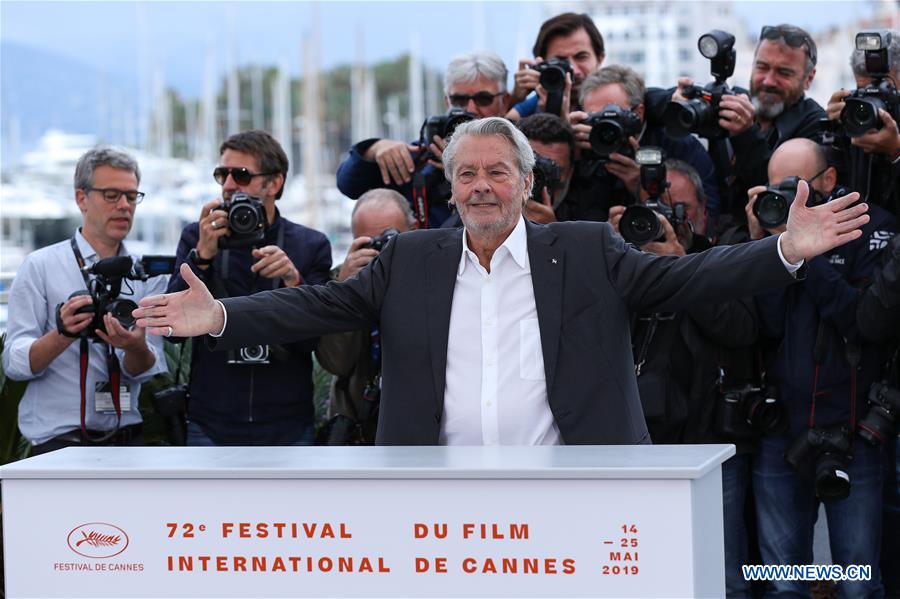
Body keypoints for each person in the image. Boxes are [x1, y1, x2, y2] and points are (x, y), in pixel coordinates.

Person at [135, 117, 870, 446]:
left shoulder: (586, 249)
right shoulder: (410, 258)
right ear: (449, 189)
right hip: (440, 506)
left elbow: (693, 279)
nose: (481, 186)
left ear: (523, 182)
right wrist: (221, 316)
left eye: (496, 172)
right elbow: (316, 304)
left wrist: (784, 251)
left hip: (575, 496)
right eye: (466, 174)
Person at [747, 138, 895, 597]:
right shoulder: (768, 238)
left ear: (828, 182)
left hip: (853, 429)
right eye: (775, 189)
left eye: (794, 188)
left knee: (858, 583)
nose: (784, 202)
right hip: (779, 430)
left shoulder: (871, 229)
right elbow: (760, 326)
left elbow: (862, 321)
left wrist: (809, 253)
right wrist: (767, 248)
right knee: (782, 584)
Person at [166, 130, 332, 446]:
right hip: (211, 421)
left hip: (288, 423)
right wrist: (201, 257)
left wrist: (292, 282)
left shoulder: (310, 245)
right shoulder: (197, 238)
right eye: (222, 174)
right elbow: (173, 330)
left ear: (274, 184)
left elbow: (315, 341)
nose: (228, 185)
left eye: (240, 176)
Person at [2, 148, 168, 454]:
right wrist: (63, 333)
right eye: (111, 195)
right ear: (82, 199)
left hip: (127, 440)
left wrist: (134, 346)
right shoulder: (41, 266)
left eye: (131, 197)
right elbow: (14, 363)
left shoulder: (146, 274)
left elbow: (146, 367)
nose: (123, 206)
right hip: (57, 445)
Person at [648, 23, 826, 227]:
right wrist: (674, 100)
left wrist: (746, 135)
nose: (768, 80)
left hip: (765, 243)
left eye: (784, 73)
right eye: (762, 67)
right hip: (711, 237)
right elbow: (642, 102)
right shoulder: (731, 101)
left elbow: (779, 197)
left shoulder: (815, 124)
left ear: (808, 79)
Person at [336, 52, 510, 229]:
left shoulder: (518, 158)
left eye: (484, 99)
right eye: (459, 100)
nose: (471, 109)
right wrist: (374, 149)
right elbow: (349, 185)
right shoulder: (423, 158)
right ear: (447, 102)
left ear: (505, 101)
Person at [315, 189, 416, 445]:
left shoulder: (433, 274)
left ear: (413, 229)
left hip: (418, 425)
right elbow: (336, 363)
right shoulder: (342, 281)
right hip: (357, 428)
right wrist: (346, 291)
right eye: (370, 242)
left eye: (391, 238)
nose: (382, 250)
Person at [565, 65, 720, 225]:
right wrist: (568, 157)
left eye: (614, 116)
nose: (606, 128)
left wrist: (647, 187)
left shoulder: (679, 145)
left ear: (639, 112)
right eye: (596, 118)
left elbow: (707, 217)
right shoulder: (579, 149)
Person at [825, 29, 900, 216]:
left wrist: (896, 152)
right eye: (864, 92)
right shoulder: (857, 120)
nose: (874, 102)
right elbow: (836, 186)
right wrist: (838, 132)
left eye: (885, 91)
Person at [506, 12, 605, 121]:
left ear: (600, 59)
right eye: (560, 62)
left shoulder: (618, 104)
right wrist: (515, 99)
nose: (573, 70)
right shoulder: (528, 109)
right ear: (541, 65)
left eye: (581, 57)